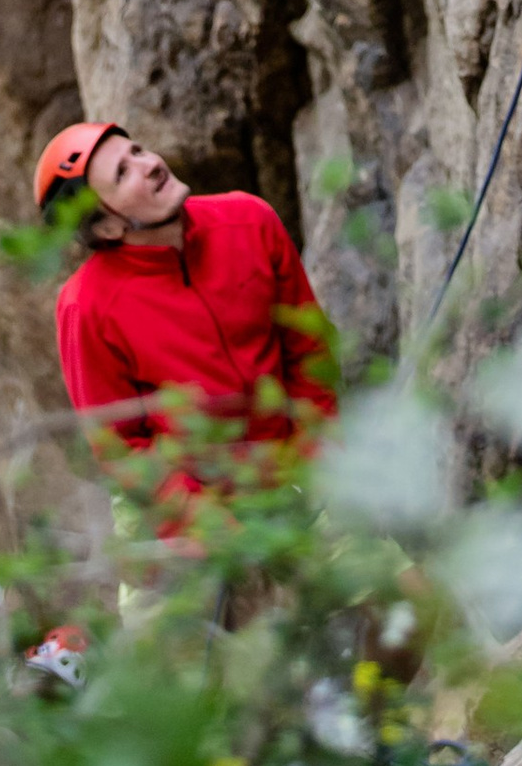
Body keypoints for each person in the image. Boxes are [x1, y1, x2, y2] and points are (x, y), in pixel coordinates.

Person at [35, 121, 336, 529]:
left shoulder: (248, 220)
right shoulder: (86, 306)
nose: (150, 164)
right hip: (187, 515)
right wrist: (213, 524)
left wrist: (313, 464)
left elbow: (309, 354)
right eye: (123, 174)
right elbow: (122, 447)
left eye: (137, 151)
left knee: (398, 583)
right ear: (107, 227)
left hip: (293, 474)